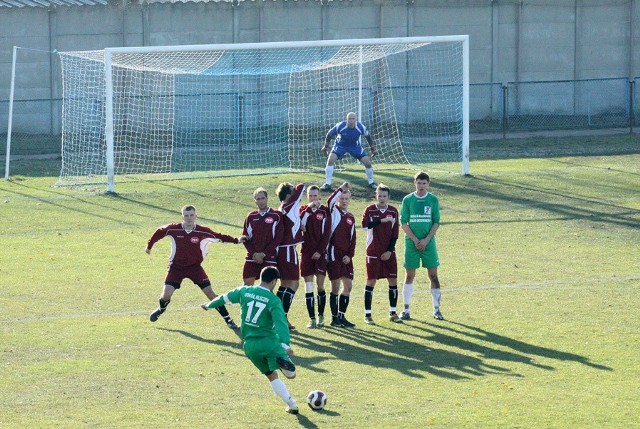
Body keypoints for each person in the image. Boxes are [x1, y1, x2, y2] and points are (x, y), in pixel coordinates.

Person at [201, 267, 300, 414]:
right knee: (292, 376)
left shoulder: (244, 291)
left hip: (250, 346)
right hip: (269, 343)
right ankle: (286, 367)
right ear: (274, 281)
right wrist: (285, 344)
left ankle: (292, 406)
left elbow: (224, 298)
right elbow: (281, 324)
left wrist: (209, 305)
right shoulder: (273, 301)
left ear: (260, 277)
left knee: (271, 375)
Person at [145, 205, 244, 329]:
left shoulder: (203, 231)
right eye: (186, 215)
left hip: (195, 268)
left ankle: (229, 320)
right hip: (176, 267)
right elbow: (159, 232)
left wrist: (236, 240)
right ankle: (161, 308)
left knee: (210, 294)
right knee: (166, 295)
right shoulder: (174, 229)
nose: (189, 218)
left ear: (196, 216)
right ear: (182, 217)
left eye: (191, 215)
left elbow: (219, 236)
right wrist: (149, 246)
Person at [400, 171, 444, 321]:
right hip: (411, 243)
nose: (421, 186)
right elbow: (403, 223)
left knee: (433, 275)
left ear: (428, 184)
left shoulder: (433, 200)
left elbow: (436, 222)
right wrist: (414, 239)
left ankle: (437, 310)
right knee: (410, 275)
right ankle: (406, 310)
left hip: (429, 243)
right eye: (419, 183)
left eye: (424, 183)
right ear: (415, 183)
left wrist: (425, 240)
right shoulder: (407, 200)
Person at [361, 183, 402, 324]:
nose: (382, 198)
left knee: (393, 280)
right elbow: (365, 226)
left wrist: (389, 251)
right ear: (376, 196)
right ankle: (368, 315)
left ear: (389, 197)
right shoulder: (370, 210)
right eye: (380, 196)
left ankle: (393, 312)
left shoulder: (393, 211)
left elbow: (395, 234)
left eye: (384, 196)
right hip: (373, 251)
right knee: (371, 281)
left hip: (388, 253)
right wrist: (381, 221)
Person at [299, 185, 332, 328]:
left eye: (315, 195)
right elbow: (301, 225)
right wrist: (307, 210)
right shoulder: (303, 210)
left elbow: (327, 233)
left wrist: (320, 250)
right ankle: (311, 318)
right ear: (307, 196)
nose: (313, 198)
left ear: (319, 196)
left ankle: (321, 316)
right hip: (306, 252)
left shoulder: (325, 211)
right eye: (310, 196)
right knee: (308, 286)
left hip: (320, 254)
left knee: (320, 285)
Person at [274, 182, 305, 330]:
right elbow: (301, 187)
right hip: (287, 250)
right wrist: (293, 190)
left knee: (285, 284)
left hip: (283, 249)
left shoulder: (283, 208)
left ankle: (278, 317)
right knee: (294, 284)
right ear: (288, 195)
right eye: (291, 192)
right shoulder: (289, 205)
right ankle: (282, 317)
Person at [320, 112, 377, 192]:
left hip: (355, 147)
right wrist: (326, 145)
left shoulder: (360, 127)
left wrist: (373, 148)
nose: (351, 120)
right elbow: (329, 134)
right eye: (349, 118)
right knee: (331, 160)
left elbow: (368, 136)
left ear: (356, 119)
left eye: (353, 118)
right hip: (340, 146)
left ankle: (371, 183)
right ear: (346, 119)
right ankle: (327, 183)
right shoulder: (340, 125)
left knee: (367, 163)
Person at [326, 182, 357, 327]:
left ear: (350, 199)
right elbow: (329, 201)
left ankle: (342, 316)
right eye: (342, 198)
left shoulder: (351, 216)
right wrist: (341, 189)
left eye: (346, 199)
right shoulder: (333, 211)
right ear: (338, 199)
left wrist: (350, 255)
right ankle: (334, 318)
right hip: (333, 253)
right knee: (335, 286)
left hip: (346, 255)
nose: (344, 201)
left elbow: (353, 238)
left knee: (348, 286)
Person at [242, 188, 284, 286]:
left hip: (269, 255)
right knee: (246, 286)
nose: (261, 201)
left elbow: (278, 238)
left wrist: (263, 254)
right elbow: (245, 238)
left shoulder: (276, 215)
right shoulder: (250, 217)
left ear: (267, 199)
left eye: (263, 198)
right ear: (255, 201)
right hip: (253, 256)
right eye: (258, 199)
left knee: (268, 287)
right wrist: (254, 254)